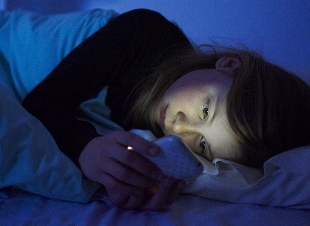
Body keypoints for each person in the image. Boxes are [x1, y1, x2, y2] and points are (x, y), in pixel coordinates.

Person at [22, 9, 310, 210]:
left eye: (202, 144)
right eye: (206, 110)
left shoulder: (161, 146)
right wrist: (86, 147)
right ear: (229, 64)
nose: (180, 127)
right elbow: (41, 102)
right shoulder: (145, 33)